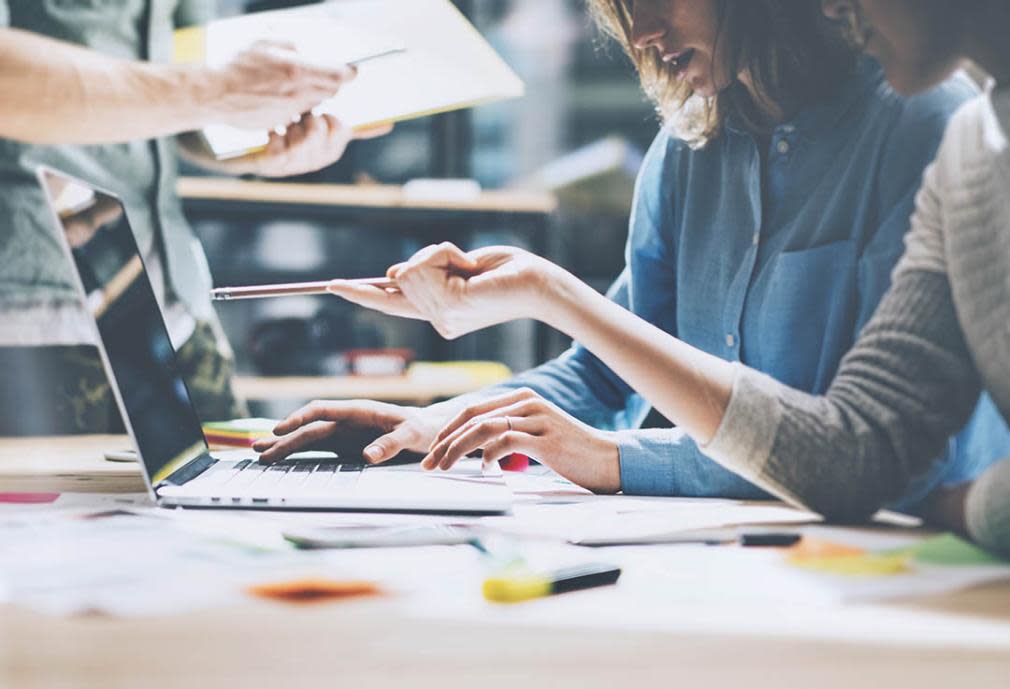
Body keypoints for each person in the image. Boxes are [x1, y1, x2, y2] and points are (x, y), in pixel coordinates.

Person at [273, 0, 1010, 556]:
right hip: (751, 562)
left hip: (897, 556)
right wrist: (435, 426)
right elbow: (604, 377)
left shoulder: (932, 125)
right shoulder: (690, 145)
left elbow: (885, 457)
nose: (643, 34)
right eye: (623, 10)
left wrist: (614, 460)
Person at [0, 4, 388, 434]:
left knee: (238, 492)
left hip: (178, 306)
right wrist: (216, 90)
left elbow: (185, 100)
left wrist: (261, 146)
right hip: (30, 315)